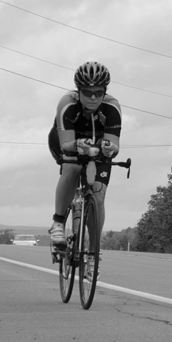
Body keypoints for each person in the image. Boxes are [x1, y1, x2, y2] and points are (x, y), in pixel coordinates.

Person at [47, 61, 122, 249]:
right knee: (72, 168)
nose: (93, 97)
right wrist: (78, 144)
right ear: (78, 91)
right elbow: (65, 145)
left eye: (99, 92)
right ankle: (58, 222)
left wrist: (108, 148)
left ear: (105, 91)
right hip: (67, 140)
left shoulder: (111, 107)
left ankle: (94, 252)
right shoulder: (68, 103)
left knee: (98, 196)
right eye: (87, 93)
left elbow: (115, 146)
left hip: (96, 145)